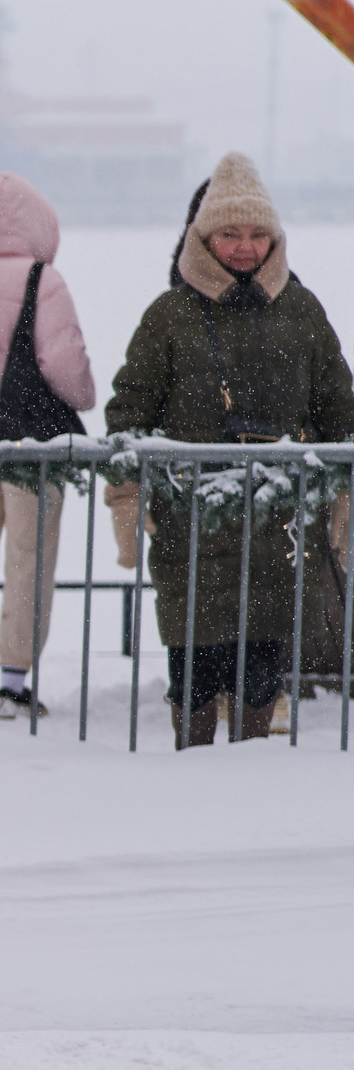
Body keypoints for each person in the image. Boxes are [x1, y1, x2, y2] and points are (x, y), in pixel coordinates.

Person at [105, 151, 354, 747]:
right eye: (230, 234)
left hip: (279, 526)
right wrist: (126, 497)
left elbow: (340, 409)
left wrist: (342, 489)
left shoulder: (303, 311)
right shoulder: (168, 316)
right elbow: (127, 413)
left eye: (257, 234)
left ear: (275, 238)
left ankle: (248, 774)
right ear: (203, 237)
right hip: (190, 524)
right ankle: (190, 771)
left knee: (262, 667)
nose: (245, 248)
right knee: (193, 666)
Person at [0, 171, 97, 718]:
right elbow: (65, 365)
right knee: (30, 556)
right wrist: (84, 396)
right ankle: (14, 680)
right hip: (30, 435)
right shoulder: (44, 281)